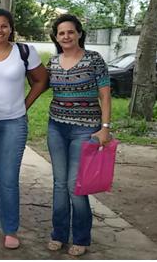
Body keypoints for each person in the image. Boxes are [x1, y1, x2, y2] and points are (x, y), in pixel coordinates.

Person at [0, 9, 48, 249]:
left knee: (8, 178)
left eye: (4, 26)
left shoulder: (24, 52)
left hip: (14, 123)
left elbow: (41, 80)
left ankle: (11, 229)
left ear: (10, 28)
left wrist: (25, 105)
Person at [46, 14, 111, 256]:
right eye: (61, 33)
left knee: (76, 185)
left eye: (70, 32)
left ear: (79, 33)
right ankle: (58, 234)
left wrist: (105, 127)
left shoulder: (94, 59)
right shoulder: (53, 62)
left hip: (85, 130)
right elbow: (38, 83)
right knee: (59, 184)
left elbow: (105, 94)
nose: (66, 36)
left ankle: (82, 237)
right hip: (56, 127)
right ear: (56, 37)